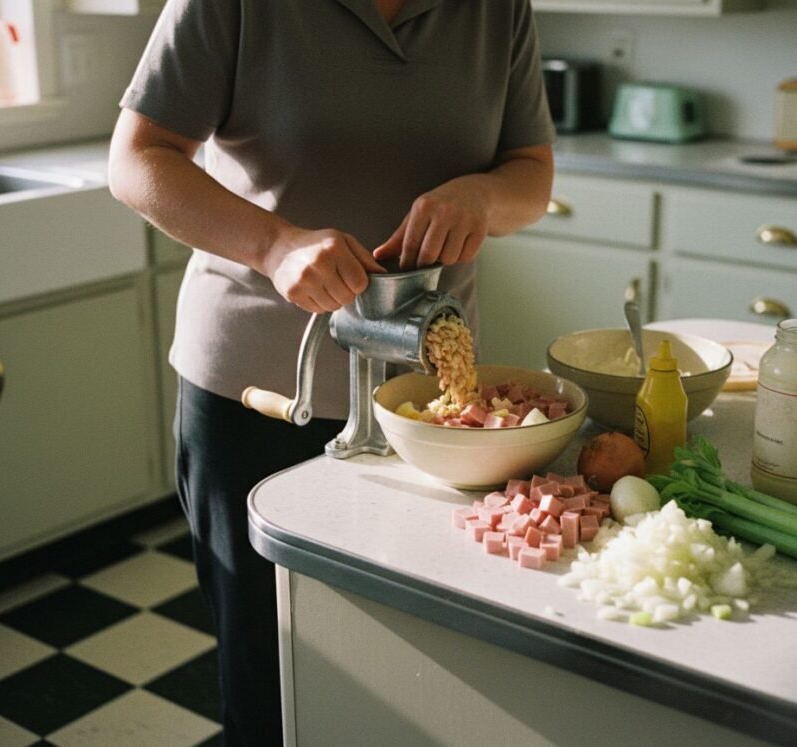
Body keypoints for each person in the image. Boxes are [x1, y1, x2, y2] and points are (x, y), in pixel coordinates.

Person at [108, 1, 555, 744]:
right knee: (272, 675)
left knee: (418, 671)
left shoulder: (496, 7)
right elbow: (137, 156)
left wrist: (483, 195)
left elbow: (531, 175)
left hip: (437, 415)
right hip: (259, 390)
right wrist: (275, 245)